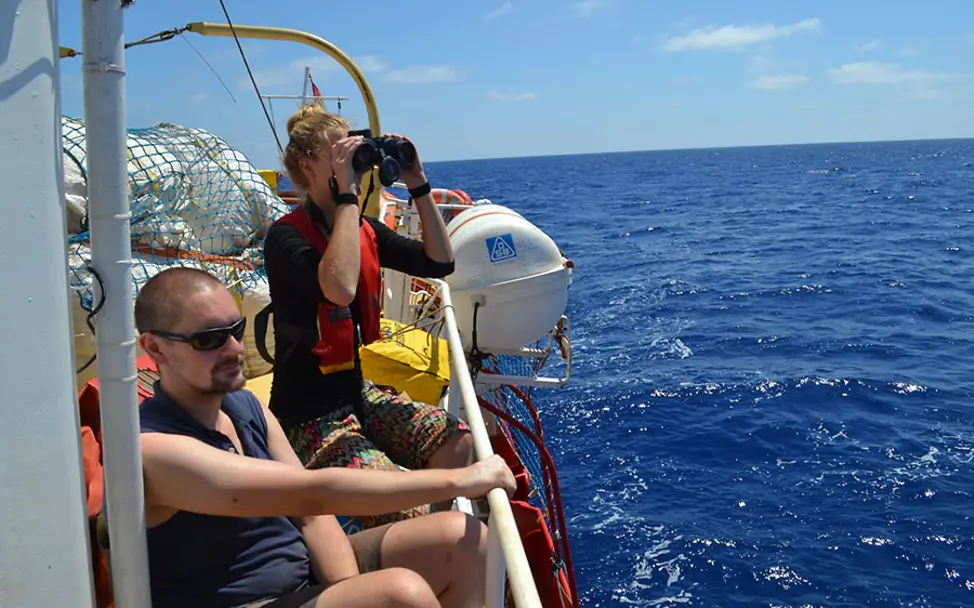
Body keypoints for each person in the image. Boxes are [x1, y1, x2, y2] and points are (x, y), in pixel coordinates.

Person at [134, 266, 516, 608]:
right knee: (401, 594)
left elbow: (311, 517)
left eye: (236, 331)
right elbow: (312, 492)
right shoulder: (154, 448)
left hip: (300, 578)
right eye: (209, 340)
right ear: (155, 348)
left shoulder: (244, 406)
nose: (234, 349)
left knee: (464, 540)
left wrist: (348, 590)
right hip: (245, 600)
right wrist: (460, 480)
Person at [259, 104, 473, 526]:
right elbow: (337, 285)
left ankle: (429, 547)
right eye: (338, 152)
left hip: (357, 397)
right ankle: (410, 546)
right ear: (308, 165)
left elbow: (439, 261)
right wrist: (347, 196)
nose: (351, 158)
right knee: (410, 514)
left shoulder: (364, 229)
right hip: (309, 420)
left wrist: (418, 182)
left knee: (461, 445)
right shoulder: (284, 238)